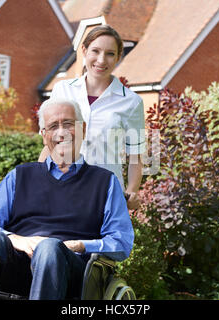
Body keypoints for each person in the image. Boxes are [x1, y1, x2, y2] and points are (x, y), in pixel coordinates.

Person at [0, 98, 134, 300]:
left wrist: (79, 245)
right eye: (52, 127)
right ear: (44, 135)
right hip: (18, 266)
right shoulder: (20, 175)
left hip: (70, 272)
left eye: (68, 124)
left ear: (83, 129)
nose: (61, 132)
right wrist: (17, 240)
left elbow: (121, 241)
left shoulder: (105, 182)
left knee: (49, 247)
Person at [38, 25, 146, 210]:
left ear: (118, 57)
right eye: (95, 51)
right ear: (84, 50)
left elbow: (136, 156)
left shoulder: (132, 102)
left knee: (94, 240)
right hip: (61, 188)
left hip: (105, 196)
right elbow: (50, 145)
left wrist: (131, 192)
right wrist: (37, 182)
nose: (101, 60)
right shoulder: (62, 90)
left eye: (110, 54)